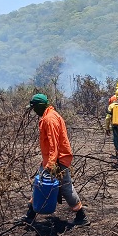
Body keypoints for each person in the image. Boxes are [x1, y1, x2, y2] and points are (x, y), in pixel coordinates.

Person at [18, 93, 89, 227]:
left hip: (58, 160)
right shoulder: (50, 115)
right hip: (52, 159)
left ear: (39, 106)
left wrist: (51, 165)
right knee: (39, 184)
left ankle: (81, 216)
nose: (33, 111)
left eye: (34, 108)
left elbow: (53, 144)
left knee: (66, 188)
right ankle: (30, 215)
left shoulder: (49, 119)